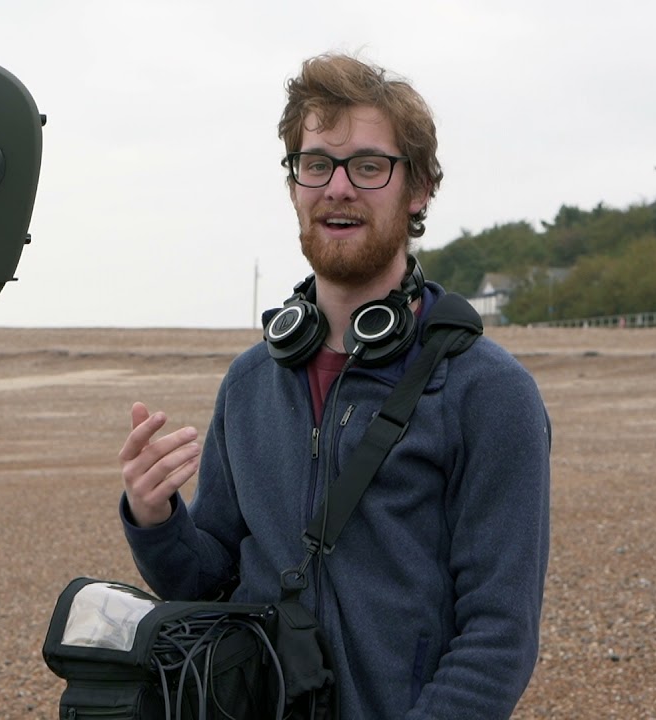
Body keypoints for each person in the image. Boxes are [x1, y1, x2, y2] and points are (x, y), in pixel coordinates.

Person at [117, 53, 551, 719]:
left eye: (369, 166)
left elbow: (499, 635)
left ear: (420, 188)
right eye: (316, 164)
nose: (338, 188)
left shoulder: (488, 394)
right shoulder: (251, 383)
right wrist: (156, 519)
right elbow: (207, 584)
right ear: (294, 185)